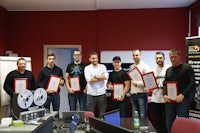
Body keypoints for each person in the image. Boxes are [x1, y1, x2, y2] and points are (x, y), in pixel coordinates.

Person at [163, 48, 195, 133]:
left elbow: (192, 83)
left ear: (180, 56)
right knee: (169, 124)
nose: (173, 59)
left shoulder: (187, 68)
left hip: (183, 101)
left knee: (184, 125)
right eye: (171, 57)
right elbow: (164, 84)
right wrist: (164, 95)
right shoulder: (168, 70)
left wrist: (183, 95)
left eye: (175, 57)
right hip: (170, 102)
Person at [37, 53, 65, 117]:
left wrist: (62, 82)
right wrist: (45, 90)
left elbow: (62, 81)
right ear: (47, 60)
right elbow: (38, 82)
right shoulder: (42, 70)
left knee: (56, 111)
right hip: (46, 94)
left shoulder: (59, 70)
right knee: (46, 112)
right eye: (50, 59)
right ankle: (47, 126)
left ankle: (57, 126)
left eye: (53, 59)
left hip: (56, 94)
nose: (51, 60)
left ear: (55, 60)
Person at [84, 51, 108, 118]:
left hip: (101, 93)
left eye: (96, 58)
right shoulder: (87, 68)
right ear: (90, 59)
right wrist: (99, 77)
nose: (95, 60)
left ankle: (102, 128)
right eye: (93, 58)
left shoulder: (103, 67)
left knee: (102, 114)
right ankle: (90, 127)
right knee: (90, 114)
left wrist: (94, 76)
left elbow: (105, 77)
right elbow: (89, 79)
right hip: (91, 94)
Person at [151, 52, 169, 133]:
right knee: (157, 121)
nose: (158, 59)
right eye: (157, 58)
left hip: (166, 100)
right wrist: (148, 87)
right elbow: (149, 86)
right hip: (155, 99)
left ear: (164, 58)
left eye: (160, 58)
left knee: (167, 120)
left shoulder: (169, 68)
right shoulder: (152, 71)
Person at [129, 49, 150, 118]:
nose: (135, 57)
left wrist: (138, 84)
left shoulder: (145, 66)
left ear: (140, 55)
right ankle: (136, 129)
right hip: (133, 94)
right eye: (133, 55)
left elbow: (149, 81)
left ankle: (144, 129)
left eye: (137, 55)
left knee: (142, 115)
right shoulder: (131, 67)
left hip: (142, 94)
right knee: (135, 116)